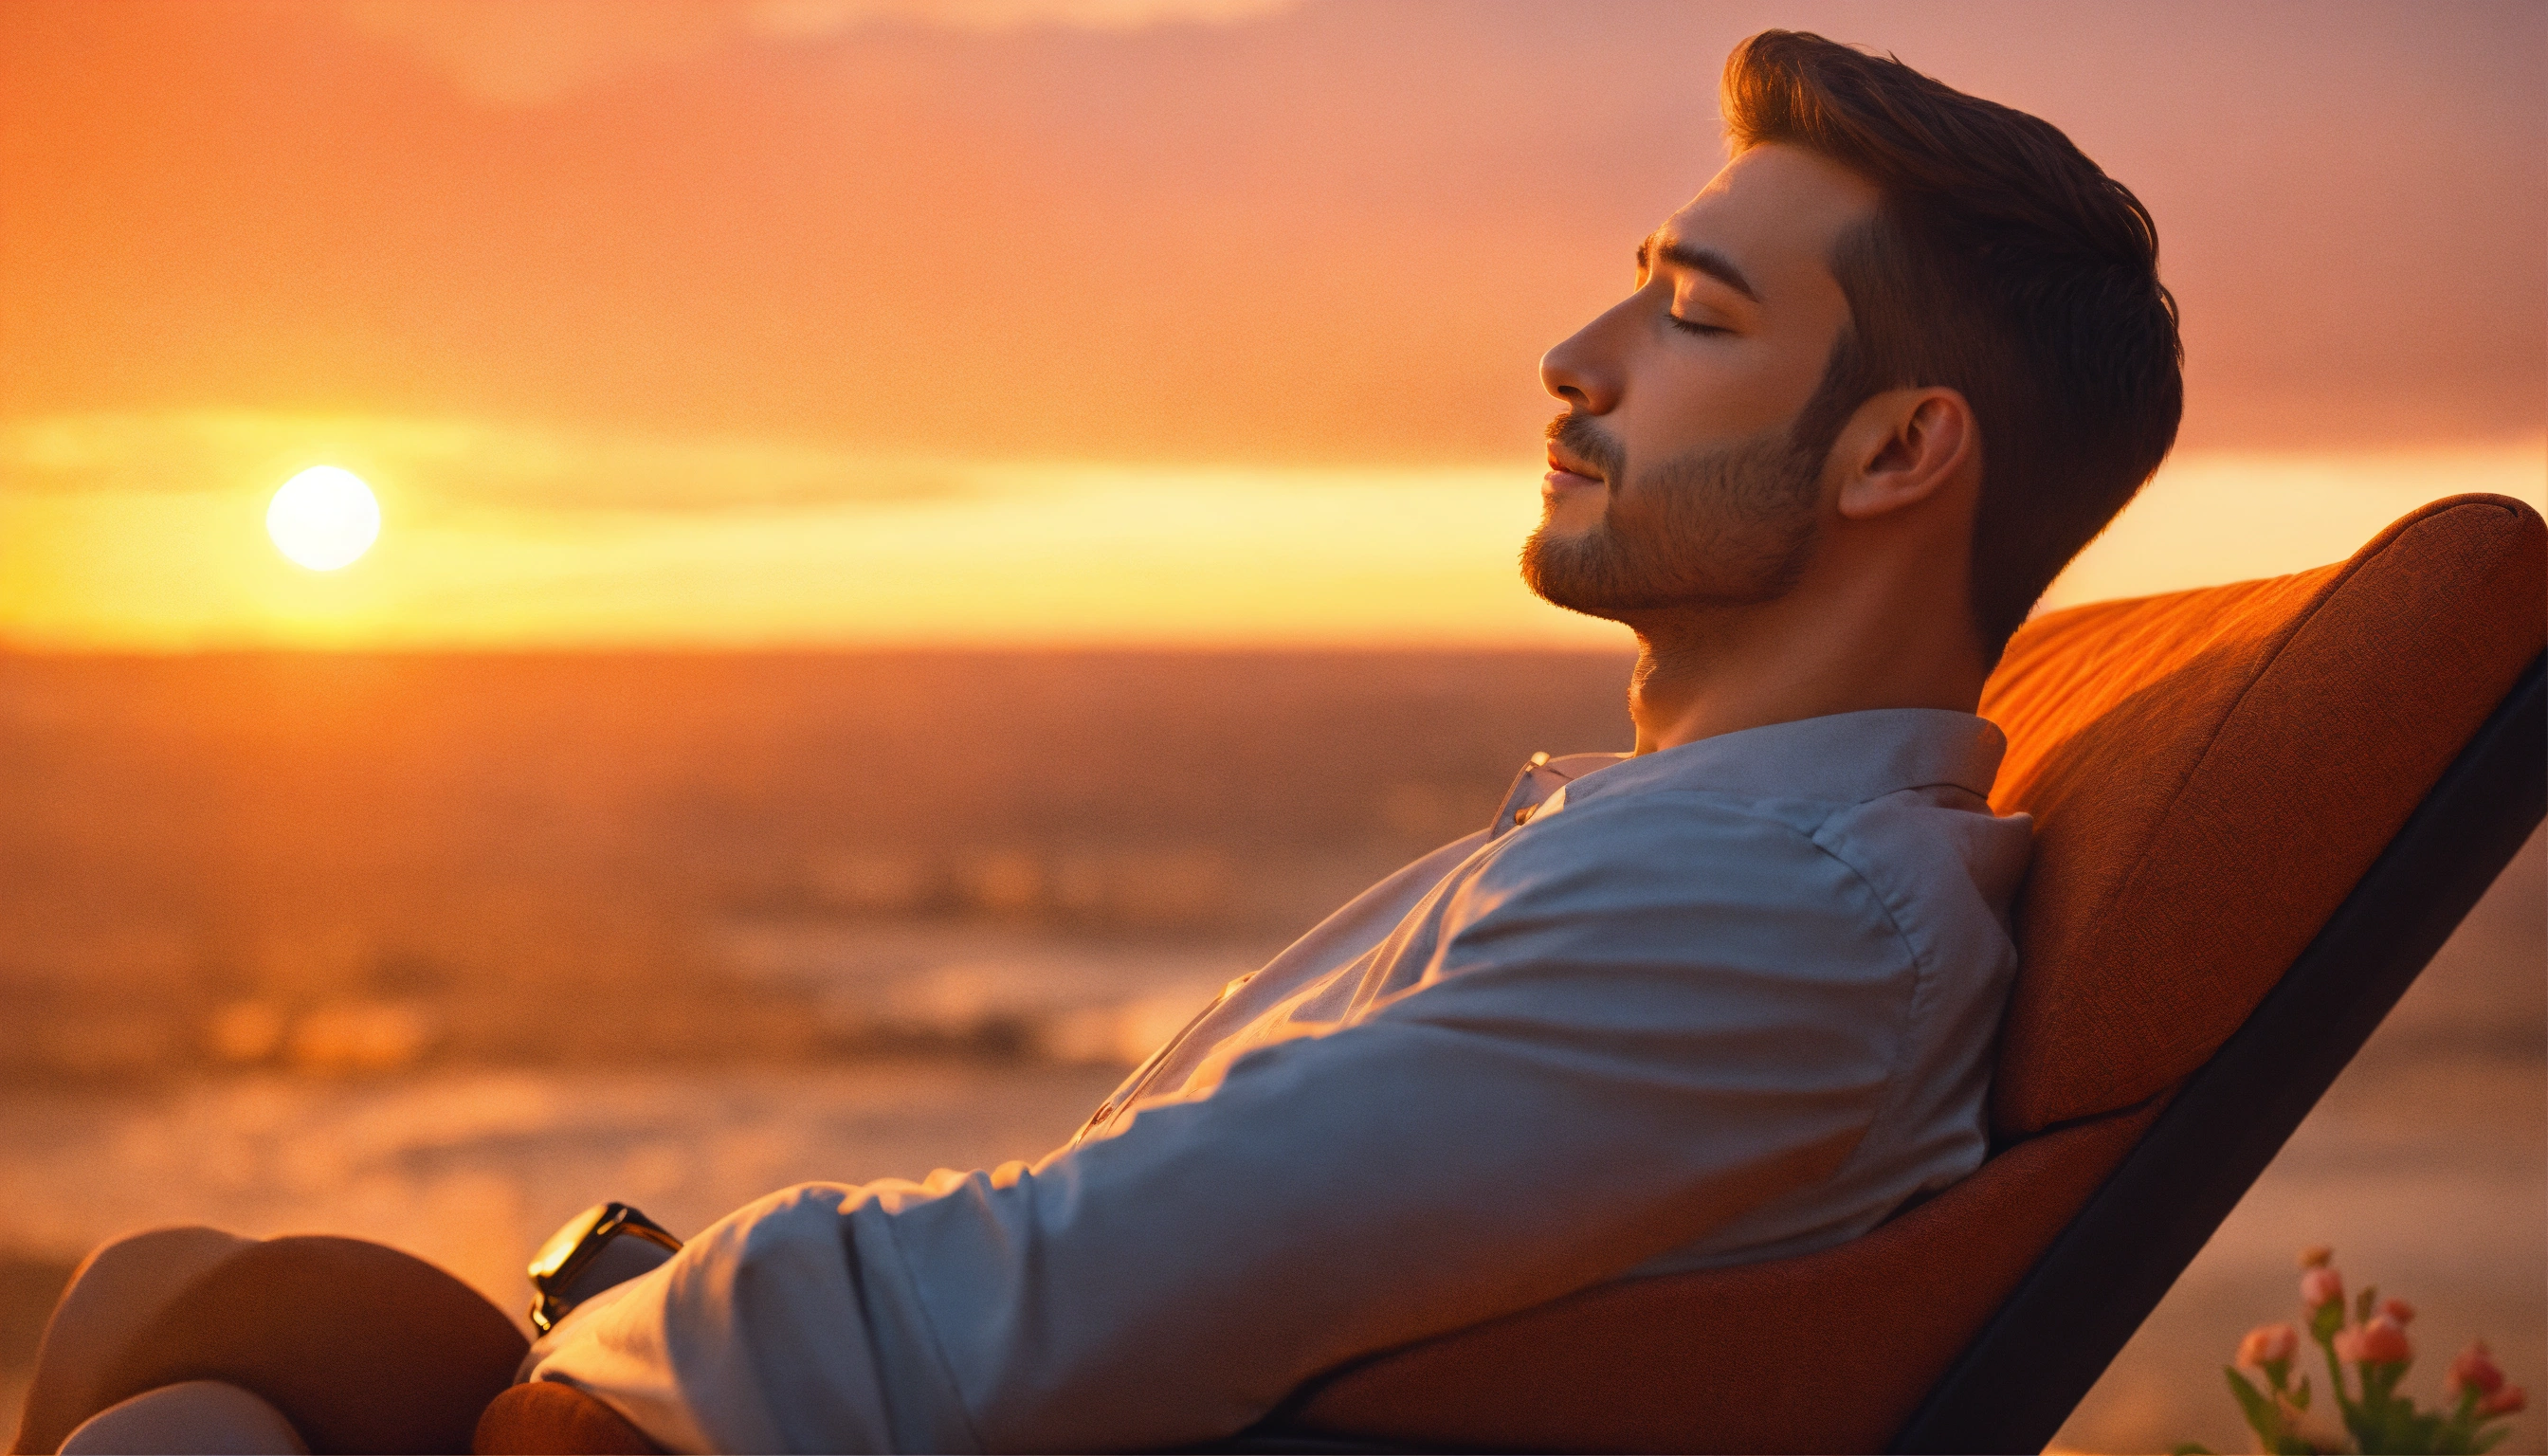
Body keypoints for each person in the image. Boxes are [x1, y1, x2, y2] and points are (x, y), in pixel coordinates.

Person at [10, 28, 2180, 1456]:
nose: (1573, 354)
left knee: (203, 1387)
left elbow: (1012, 1328)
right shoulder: (1707, 865)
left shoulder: (1765, 929)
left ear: (1896, 453)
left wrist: (595, 1343)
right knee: (178, 1295)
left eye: (1693, 314)